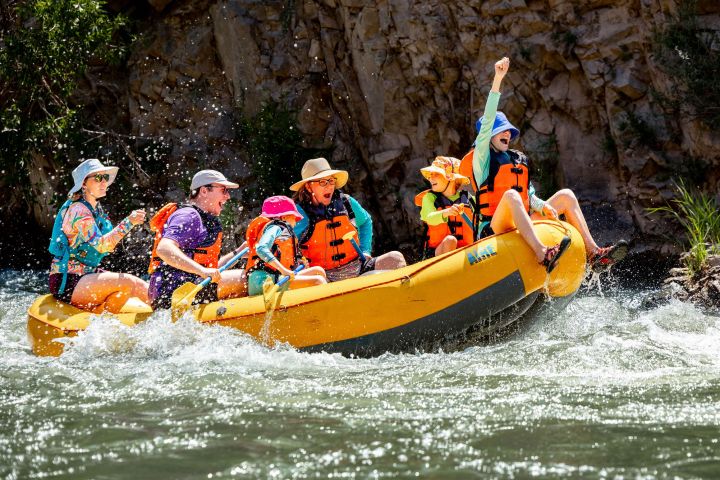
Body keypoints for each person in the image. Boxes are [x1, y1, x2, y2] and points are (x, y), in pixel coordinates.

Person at [459, 57, 628, 271]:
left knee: (566, 195)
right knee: (510, 195)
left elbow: (528, 197)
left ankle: (594, 253)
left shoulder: (515, 160)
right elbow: (486, 127)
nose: (507, 134)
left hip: (521, 223)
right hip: (494, 227)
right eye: (501, 131)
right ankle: (542, 253)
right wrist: (498, 79)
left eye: (509, 132)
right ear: (489, 136)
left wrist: (543, 206)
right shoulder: (481, 159)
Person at [48, 158, 149, 312]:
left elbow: (108, 243)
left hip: (86, 275)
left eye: (105, 178)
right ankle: (169, 311)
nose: (104, 182)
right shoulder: (79, 211)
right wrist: (129, 222)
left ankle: (166, 308)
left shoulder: (96, 209)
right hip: (68, 280)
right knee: (129, 281)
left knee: (132, 286)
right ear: (83, 184)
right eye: (98, 178)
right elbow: (102, 246)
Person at [290, 157, 406, 282]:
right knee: (315, 280)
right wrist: (298, 261)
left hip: (358, 267)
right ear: (308, 187)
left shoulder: (346, 202)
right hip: (324, 276)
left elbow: (366, 221)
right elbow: (286, 244)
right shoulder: (298, 214)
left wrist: (365, 250)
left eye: (331, 181)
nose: (329, 187)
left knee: (396, 258)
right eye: (322, 182)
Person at [147, 169, 247, 309]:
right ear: (204, 191)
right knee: (246, 278)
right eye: (223, 190)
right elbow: (164, 249)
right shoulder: (188, 215)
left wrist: (238, 253)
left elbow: (211, 269)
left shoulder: (204, 219)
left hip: (191, 284)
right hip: (174, 291)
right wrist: (202, 271)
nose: (228, 196)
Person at [246, 195, 327, 296]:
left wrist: (298, 263)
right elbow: (261, 249)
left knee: (318, 271)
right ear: (283, 217)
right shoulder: (275, 228)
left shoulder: (281, 231)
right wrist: (283, 270)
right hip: (264, 282)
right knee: (318, 281)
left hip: (276, 277)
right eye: (294, 218)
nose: (295, 223)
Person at [415, 156, 474, 257]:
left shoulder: (470, 199)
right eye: (430, 175)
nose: (430, 178)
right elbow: (430, 218)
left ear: (451, 177)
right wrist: (448, 212)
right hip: (436, 255)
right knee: (450, 240)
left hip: (467, 254)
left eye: (436, 174)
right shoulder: (429, 198)